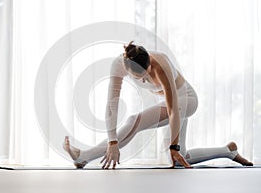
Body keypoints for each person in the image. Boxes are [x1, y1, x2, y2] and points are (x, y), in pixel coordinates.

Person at [63, 41, 253, 169]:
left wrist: (174, 145)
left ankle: (84, 157)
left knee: (134, 121)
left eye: (147, 73)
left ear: (150, 62)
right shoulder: (118, 65)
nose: (145, 79)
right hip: (171, 104)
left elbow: (173, 108)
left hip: (185, 99)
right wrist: (112, 142)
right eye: (140, 77)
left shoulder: (161, 63)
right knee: (179, 161)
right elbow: (111, 105)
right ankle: (229, 150)